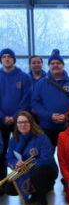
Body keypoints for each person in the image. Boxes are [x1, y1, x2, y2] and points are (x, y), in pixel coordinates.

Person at [5, 111, 58, 205]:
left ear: (31, 123)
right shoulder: (13, 139)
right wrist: (15, 163)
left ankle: (42, 199)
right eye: (20, 122)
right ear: (16, 124)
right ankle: (34, 193)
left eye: (26, 122)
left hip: (45, 171)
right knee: (9, 188)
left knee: (37, 172)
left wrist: (27, 165)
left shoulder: (41, 137)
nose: (22, 125)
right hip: (27, 170)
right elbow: (9, 157)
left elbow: (47, 158)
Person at [32, 49, 69, 147]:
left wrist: (67, 115)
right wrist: (49, 116)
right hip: (46, 127)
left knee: (68, 156)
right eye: (52, 63)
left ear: (63, 65)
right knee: (46, 158)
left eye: (58, 63)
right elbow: (35, 102)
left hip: (67, 126)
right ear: (49, 66)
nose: (55, 65)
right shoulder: (41, 84)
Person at [0, 48, 32, 188]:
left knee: (23, 151)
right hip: (1, 121)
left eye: (9, 56)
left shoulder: (23, 77)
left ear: (14, 59)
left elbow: (26, 99)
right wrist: (2, 117)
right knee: (1, 152)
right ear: (1, 60)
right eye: (4, 57)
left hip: (20, 122)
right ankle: (3, 183)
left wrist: (14, 117)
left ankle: (25, 182)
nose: (7, 59)